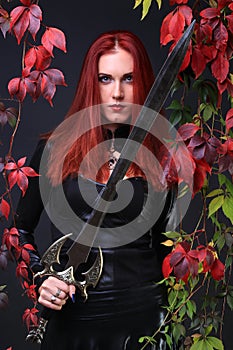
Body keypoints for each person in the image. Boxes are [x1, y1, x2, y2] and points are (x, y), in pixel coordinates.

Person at [14, 30, 178, 350]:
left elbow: (165, 247)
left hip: (144, 321)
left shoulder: (160, 155)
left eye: (128, 78)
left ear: (141, 82)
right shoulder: (55, 148)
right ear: (92, 83)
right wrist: (41, 278)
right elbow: (20, 228)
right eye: (106, 78)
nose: (117, 92)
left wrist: (168, 319)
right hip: (74, 322)